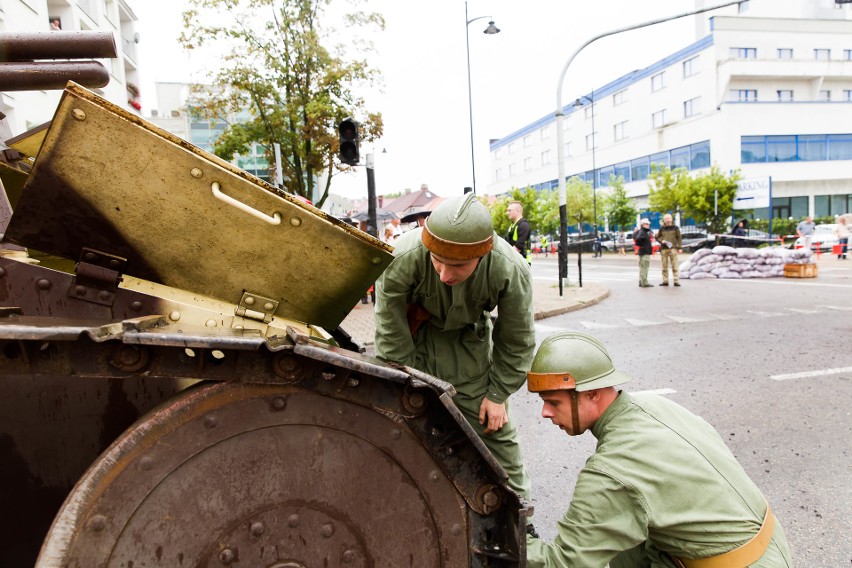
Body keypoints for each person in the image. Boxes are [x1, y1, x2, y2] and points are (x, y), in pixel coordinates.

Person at [526, 331, 794, 568]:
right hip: (767, 546)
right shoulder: (653, 405)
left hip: (737, 562)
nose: (545, 413)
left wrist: (501, 541)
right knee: (624, 530)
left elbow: (564, 562)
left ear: (592, 393)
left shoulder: (614, 468)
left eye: (553, 402)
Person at [374, 194, 535, 506]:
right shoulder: (402, 257)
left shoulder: (509, 269)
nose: (445, 275)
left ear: (482, 254)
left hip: (470, 353)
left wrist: (499, 393)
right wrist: (403, 383)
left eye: (458, 266)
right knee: (400, 435)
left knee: (496, 435)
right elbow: (389, 328)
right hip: (414, 348)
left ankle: (519, 514)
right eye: (436, 261)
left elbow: (517, 339)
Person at [656, 213, 682, 287]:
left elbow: (679, 238)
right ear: (664, 220)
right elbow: (657, 237)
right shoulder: (662, 228)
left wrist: (680, 247)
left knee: (675, 265)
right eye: (666, 218)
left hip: (673, 249)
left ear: (671, 219)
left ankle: (676, 280)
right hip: (664, 249)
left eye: (669, 218)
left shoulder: (675, 228)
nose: (668, 220)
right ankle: (665, 281)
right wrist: (661, 241)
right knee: (664, 266)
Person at [505, 201, 532, 265]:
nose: (507, 213)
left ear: (517, 211)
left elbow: (518, 247)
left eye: (509, 210)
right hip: (515, 262)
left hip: (522, 263)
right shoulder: (513, 225)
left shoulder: (523, 225)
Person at [635, 219, 654, 287]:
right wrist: (642, 246)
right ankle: (644, 282)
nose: (648, 225)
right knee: (645, 268)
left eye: (648, 224)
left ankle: (641, 281)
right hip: (645, 252)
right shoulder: (643, 232)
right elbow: (638, 239)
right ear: (643, 225)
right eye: (646, 224)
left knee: (643, 267)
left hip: (643, 252)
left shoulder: (642, 231)